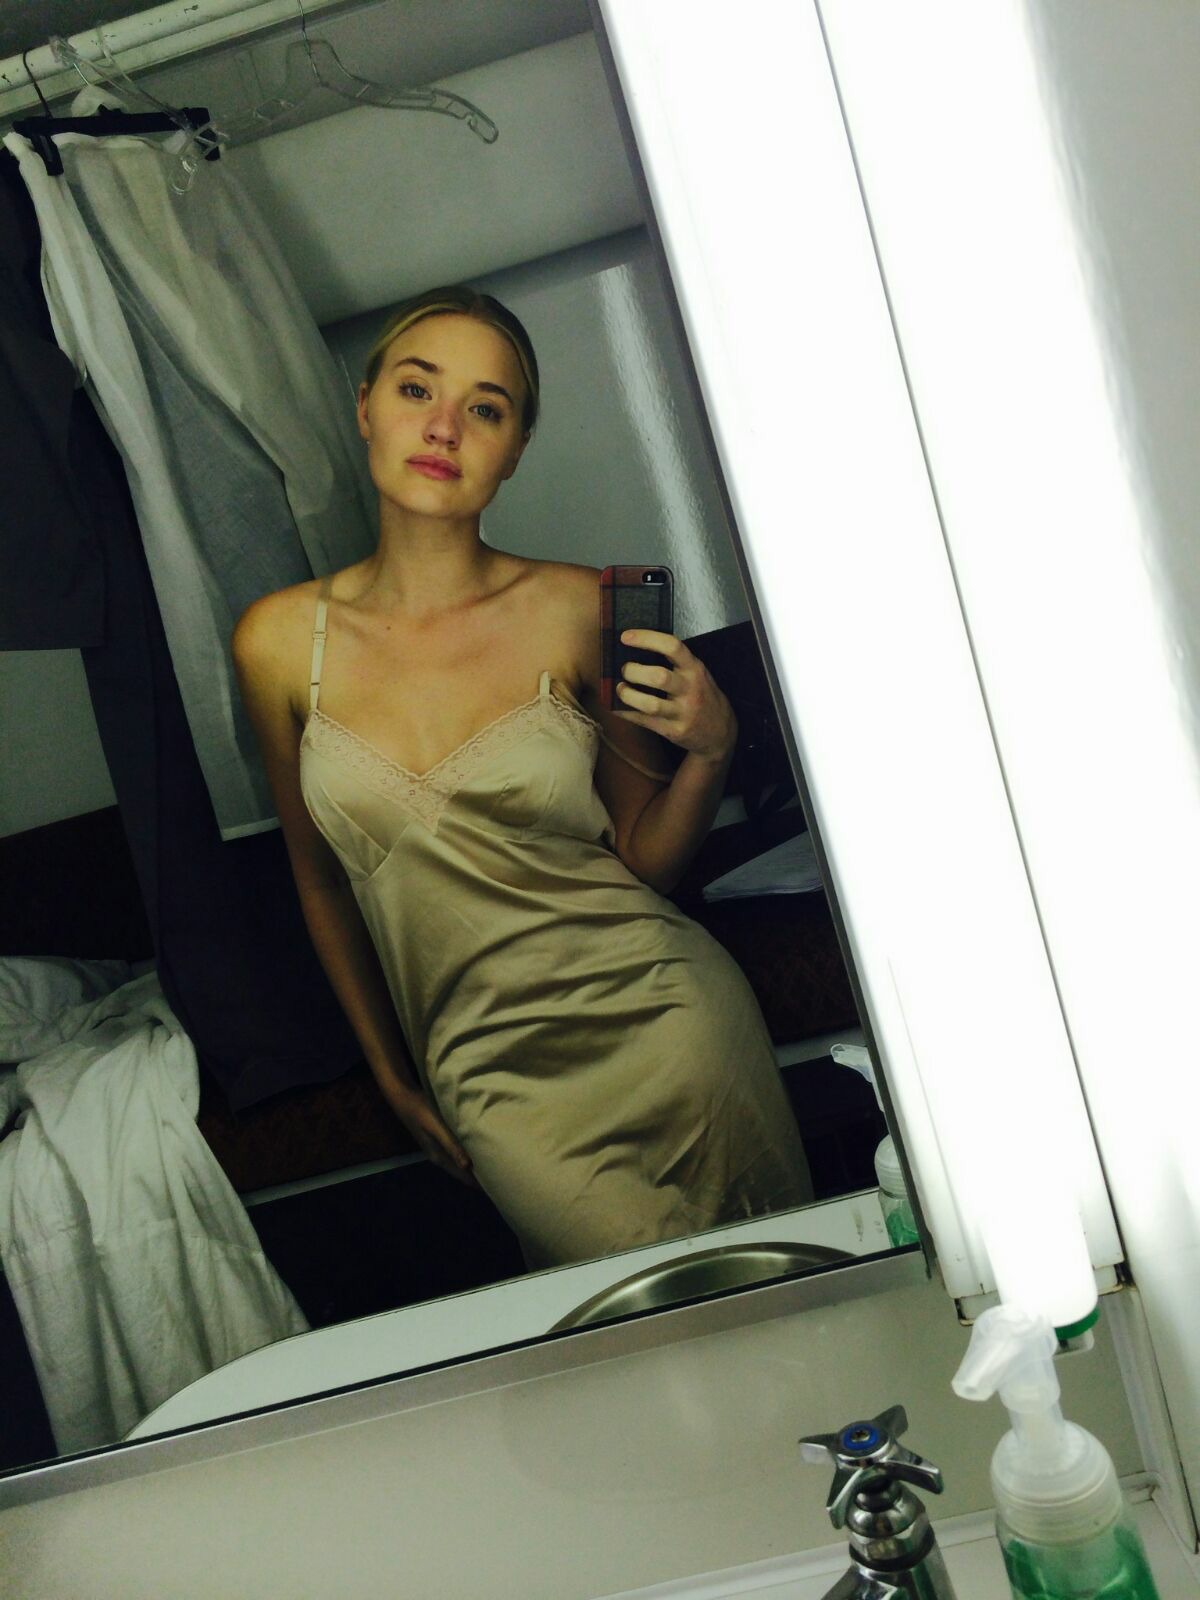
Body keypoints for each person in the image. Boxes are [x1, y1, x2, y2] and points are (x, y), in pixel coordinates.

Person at [232, 284, 813, 1269]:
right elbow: (318, 878)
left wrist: (712, 750)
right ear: (365, 407)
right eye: (418, 389)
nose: (445, 427)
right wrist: (393, 1075)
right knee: (638, 1333)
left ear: (514, 450)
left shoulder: (593, 604)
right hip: (490, 1073)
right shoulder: (276, 642)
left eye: (487, 408)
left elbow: (646, 863)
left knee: (794, 1298)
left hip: (670, 1021)